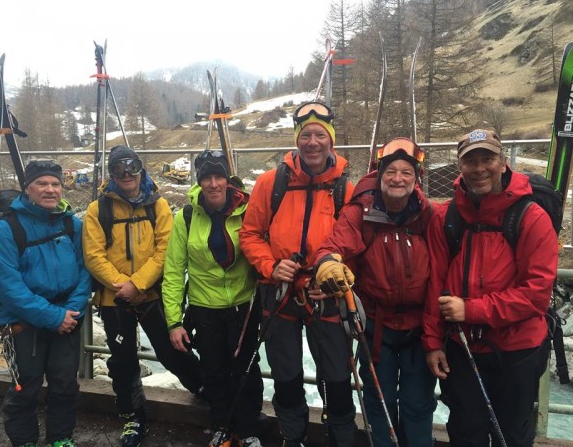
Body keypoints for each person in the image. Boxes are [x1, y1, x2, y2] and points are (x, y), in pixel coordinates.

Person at [422, 129, 557, 446]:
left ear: (503, 162)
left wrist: (470, 309)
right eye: (471, 161)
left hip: (518, 351)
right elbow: (435, 285)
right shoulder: (447, 217)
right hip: (463, 348)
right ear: (460, 167)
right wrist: (432, 342)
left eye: (488, 159)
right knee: (466, 433)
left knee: (512, 435)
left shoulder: (531, 217)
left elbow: (536, 295)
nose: (480, 168)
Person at [239, 101, 356, 446]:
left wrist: (337, 275)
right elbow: (250, 234)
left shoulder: (345, 189)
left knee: (336, 377)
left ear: (331, 140)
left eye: (320, 135)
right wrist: (271, 266)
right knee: (287, 376)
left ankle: (341, 438)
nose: (313, 142)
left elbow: (354, 244)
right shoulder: (269, 183)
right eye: (306, 135)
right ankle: (294, 437)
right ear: (297, 139)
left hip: (327, 295)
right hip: (280, 293)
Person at [315, 137, 437, 446]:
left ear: (416, 178)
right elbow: (333, 245)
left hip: (419, 331)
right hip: (375, 329)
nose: (398, 178)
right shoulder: (361, 213)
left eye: (406, 172)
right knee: (378, 404)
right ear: (379, 175)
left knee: (418, 405)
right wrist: (328, 264)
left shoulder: (428, 215)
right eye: (391, 171)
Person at [82, 145, 203, 447]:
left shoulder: (158, 206)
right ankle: (133, 415)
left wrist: (138, 284)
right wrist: (123, 285)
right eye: (119, 169)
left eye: (132, 167)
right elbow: (93, 255)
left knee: (172, 350)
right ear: (111, 174)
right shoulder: (99, 210)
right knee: (122, 361)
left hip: (150, 295)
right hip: (114, 299)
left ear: (140, 169)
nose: (127, 175)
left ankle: (205, 390)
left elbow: (166, 249)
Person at [162, 150, 264, 447]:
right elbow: (173, 270)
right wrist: (173, 321)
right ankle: (221, 424)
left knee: (246, 367)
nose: (213, 183)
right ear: (200, 182)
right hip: (204, 308)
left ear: (228, 180)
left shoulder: (247, 210)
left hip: (243, 306)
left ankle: (248, 427)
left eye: (219, 176)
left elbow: (262, 253)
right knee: (214, 369)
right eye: (206, 177)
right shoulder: (187, 216)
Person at [0, 159, 91, 447]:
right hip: (24, 320)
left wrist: (72, 311)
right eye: (42, 184)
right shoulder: (6, 230)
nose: (50, 189)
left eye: (55, 184)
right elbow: (9, 288)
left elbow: (86, 271)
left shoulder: (73, 224)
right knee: (25, 387)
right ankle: (24, 441)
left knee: (65, 384)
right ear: (27, 189)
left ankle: (61, 438)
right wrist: (53, 317)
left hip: (67, 315)